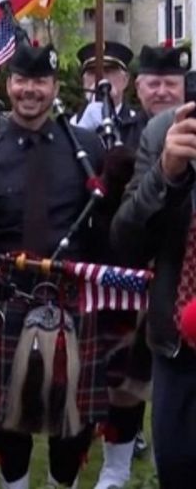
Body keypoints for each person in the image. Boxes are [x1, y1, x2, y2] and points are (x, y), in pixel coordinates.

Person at [0, 43, 107, 489]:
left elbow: (100, 234)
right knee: (9, 426)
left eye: (40, 81)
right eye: (22, 80)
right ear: (7, 83)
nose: (30, 90)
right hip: (6, 307)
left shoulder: (87, 149)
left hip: (73, 305)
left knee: (71, 427)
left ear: (55, 86)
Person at [110, 93, 196, 488]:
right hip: (179, 347)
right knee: (178, 470)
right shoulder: (166, 130)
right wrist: (166, 174)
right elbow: (125, 242)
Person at [74, 41, 145, 149]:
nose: (101, 79)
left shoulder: (140, 125)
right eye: (92, 72)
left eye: (109, 71)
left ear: (125, 80)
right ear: (84, 81)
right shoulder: (70, 124)